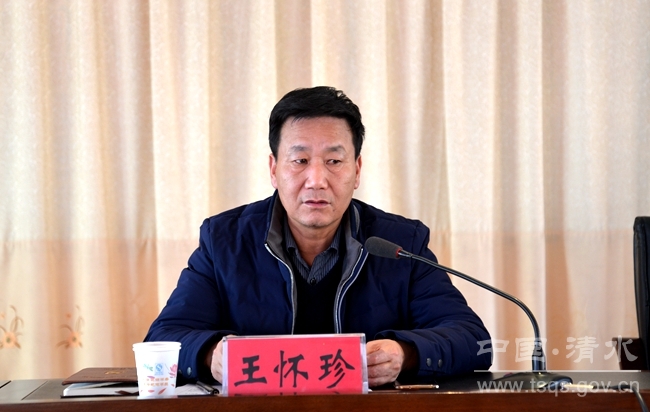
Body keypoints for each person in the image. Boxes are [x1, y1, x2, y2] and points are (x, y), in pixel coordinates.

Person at [144, 86, 492, 387]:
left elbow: (474, 340)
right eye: (300, 160)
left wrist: (406, 353)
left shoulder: (400, 243)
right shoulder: (224, 241)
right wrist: (211, 354)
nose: (316, 180)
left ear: (357, 170)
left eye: (334, 161)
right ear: (273, 170)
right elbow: (163, 338)